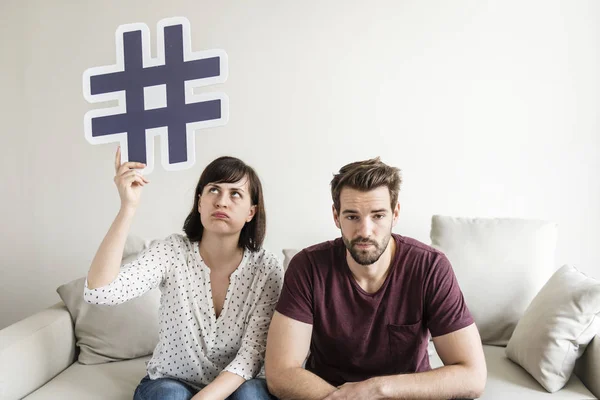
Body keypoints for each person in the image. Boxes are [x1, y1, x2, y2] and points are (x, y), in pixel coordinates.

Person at [265, 157, 487, 400]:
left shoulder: (430, 267)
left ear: (396, 213)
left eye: (378, 216)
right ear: (336, 216)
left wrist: (376, 390)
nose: (365, 231)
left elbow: (472, 376)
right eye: (352, 217)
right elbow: (281, 372)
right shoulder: (307, 267)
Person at [85, 147, 282, 400]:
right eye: (214, 190)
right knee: (170, 394)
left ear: (251, 212)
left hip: (236, 385)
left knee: (251, 395)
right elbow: (99, 293)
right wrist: (128, 207)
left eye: (235, 194)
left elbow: (252, 355)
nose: (222, 201)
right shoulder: (172, 251)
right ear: (200, 202)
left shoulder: (267, 268)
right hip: (172, 380)